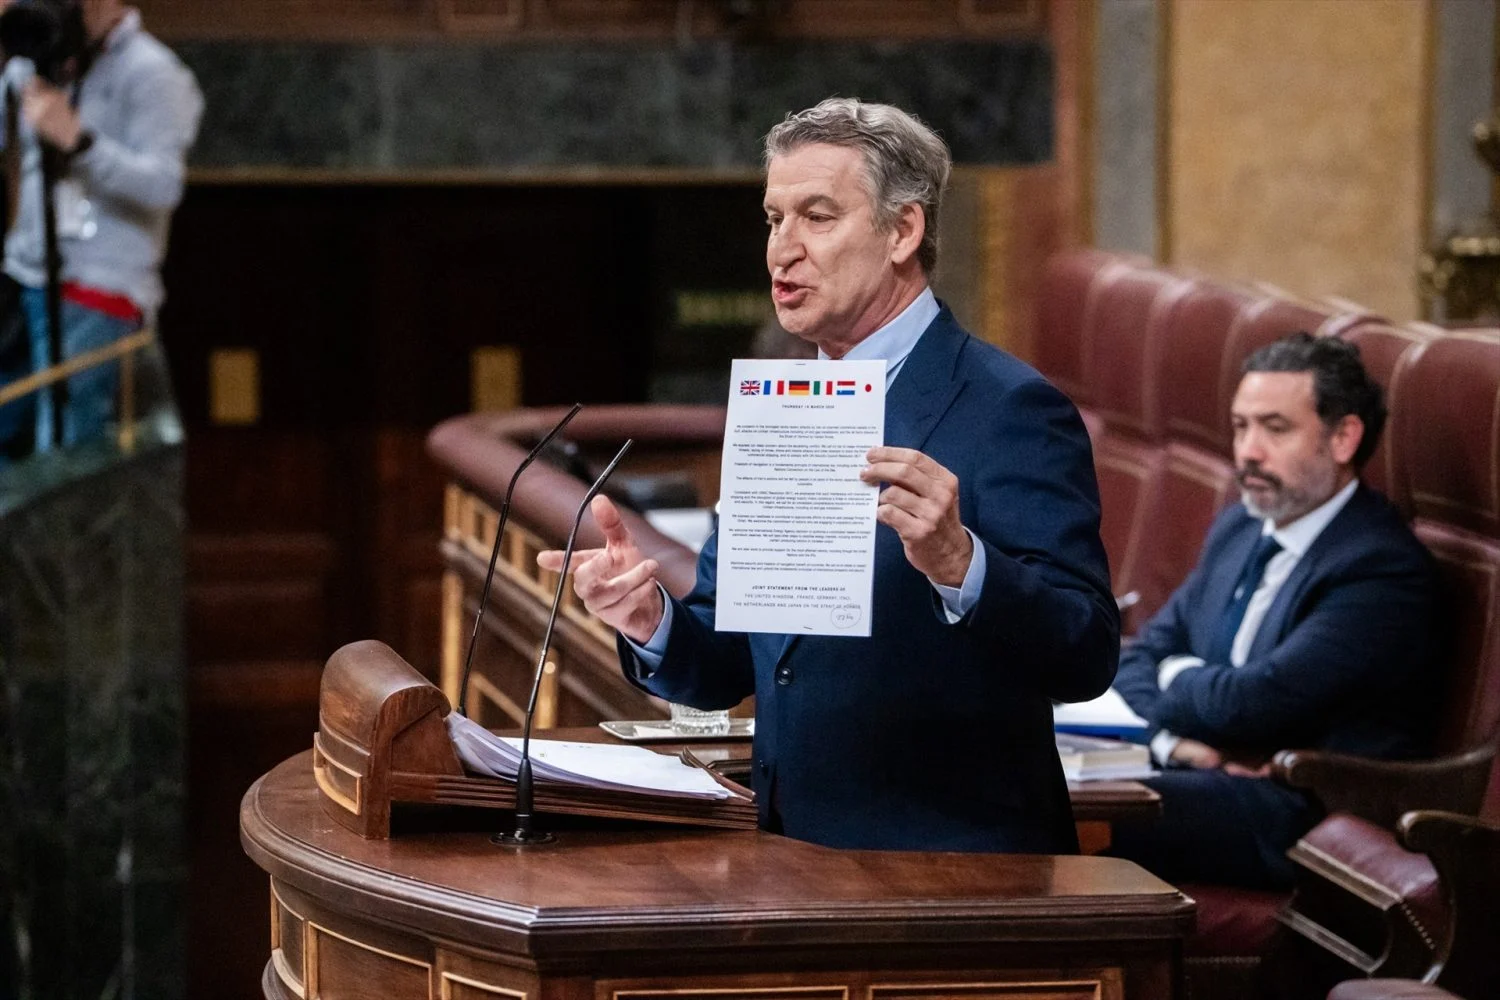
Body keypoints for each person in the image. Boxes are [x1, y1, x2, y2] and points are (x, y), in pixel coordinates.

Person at [540, 98, 1119, 853]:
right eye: (774, 219)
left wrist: (963, 565)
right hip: (790, 860)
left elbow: (1086, 655)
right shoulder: (783, 406)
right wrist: (648, 618)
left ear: (902, 231)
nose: (782, 250)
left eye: (817, 217)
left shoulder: (1010, 407)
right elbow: (725, 662)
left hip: (955, 876)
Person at [1109, 332, 1438, 889]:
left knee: (1053, 805)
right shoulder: (1240, 526)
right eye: (1241, 426)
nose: (1248, 451)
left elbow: (1252, 704)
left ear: (1343, 438)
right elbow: (1141, 657)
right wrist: (1174, 744)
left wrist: (1177, 675)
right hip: (1209, 776)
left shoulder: (1379, 567)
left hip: (1299, 812)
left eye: (1275, 428)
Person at [0, 0, 201, 456]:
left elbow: (163, 186)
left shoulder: (154, 73)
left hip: (98, 289)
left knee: (67, 446)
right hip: (26, 274)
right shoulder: (41, 59)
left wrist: (81, 141)